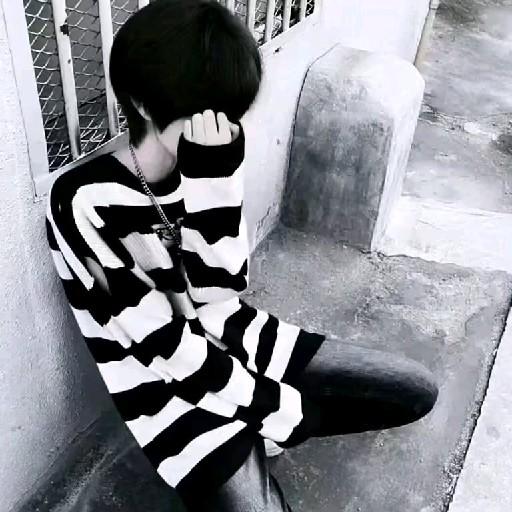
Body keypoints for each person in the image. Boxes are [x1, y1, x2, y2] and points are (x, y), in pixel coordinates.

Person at [45, 1, 439, 511]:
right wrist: (273, 407)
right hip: (170, 392)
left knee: (415, 391)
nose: (220, 125)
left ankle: (263, 428)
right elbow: (162, 345)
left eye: (230, 112)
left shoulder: (213, 153)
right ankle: (257, 432)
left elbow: (221, 288)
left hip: (241, 339)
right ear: (143, 105)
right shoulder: (83, 200)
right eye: (204, 112)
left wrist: (214, 178)